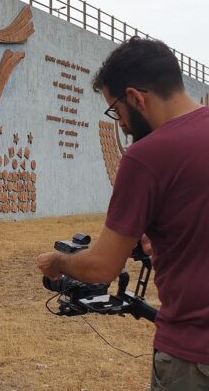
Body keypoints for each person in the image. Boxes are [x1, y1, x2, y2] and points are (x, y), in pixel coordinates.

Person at [37, 37, 209, 390]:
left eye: (116, 111)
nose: (121, 124)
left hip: (193, 358)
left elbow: (102, 266)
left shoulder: (147, 156)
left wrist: (59, 262)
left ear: (136, 98)